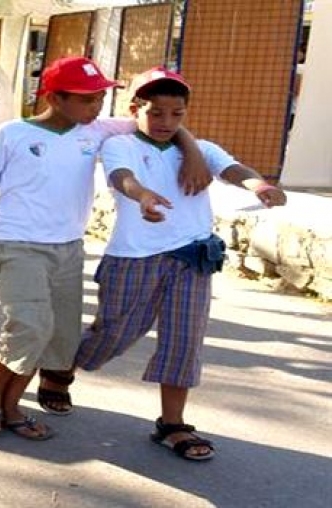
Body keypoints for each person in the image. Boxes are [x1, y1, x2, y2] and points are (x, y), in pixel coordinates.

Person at [0, 57, 212, 440]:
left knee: (56, 338)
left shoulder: (96, 130)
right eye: (86, 99)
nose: (96, 107)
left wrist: (194, 152)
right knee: (31, 326)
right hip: (17, 244)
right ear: (54, 97)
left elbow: (163, 124)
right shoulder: (12, 133)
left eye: (99, 98)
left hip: (68, 249)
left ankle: (13, 406)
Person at [69, 67, 286, 461]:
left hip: (192, 257)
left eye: (177, 114)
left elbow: (233, 168)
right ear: (135, 108)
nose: (166, 122)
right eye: (156, 113)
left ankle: (173, 424)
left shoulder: (201, 149)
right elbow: (121, 177)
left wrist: (260, 185)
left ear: (186, 113)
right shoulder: (120, 144)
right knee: (115, 333)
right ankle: (61, 366)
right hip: (135, 257)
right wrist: (143, 196)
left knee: (184, 340)